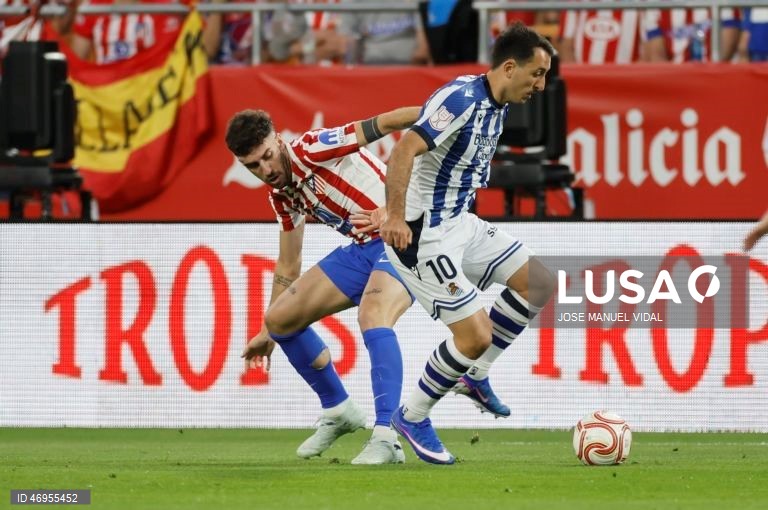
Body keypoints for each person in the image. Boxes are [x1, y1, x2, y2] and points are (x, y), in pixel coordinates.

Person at [379, 22, 557, 465]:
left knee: (540, 282)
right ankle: (413, 416)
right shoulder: (462, 98)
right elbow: (404, 150)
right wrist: (396, 217)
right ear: (510, 66)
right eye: (536, 74)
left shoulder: (495, 102)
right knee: (474, 334)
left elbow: (422, 118)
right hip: (423, 237)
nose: (541, 84)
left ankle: (475, 374)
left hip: (462, 224)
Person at [225, 106, 419, 464]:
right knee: (280, 318)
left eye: (267, 156)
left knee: (373, 314)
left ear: (278, 141)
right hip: (364, 250)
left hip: (404, 238)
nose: (265, 170)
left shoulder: (313, 148)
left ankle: (386, 436)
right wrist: (267, 333)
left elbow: (383, 123)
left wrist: (442, 115)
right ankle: (339, 410)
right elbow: (288, 264)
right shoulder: (282, 196)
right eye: (253, 166)